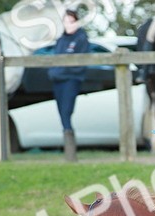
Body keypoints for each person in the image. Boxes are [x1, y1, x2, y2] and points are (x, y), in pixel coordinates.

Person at [49, 9, 89, 162]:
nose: (69, 25)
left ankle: (70, 151)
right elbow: (54, 59)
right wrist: (53, 72)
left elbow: (80, 64)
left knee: (66, 111)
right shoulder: (60, 40)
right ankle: (69, 149)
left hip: (71, 80)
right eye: (66, 21)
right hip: (58, 81)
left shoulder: (81, 38)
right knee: (62, 113)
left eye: (72, 21)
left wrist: (61, 71)